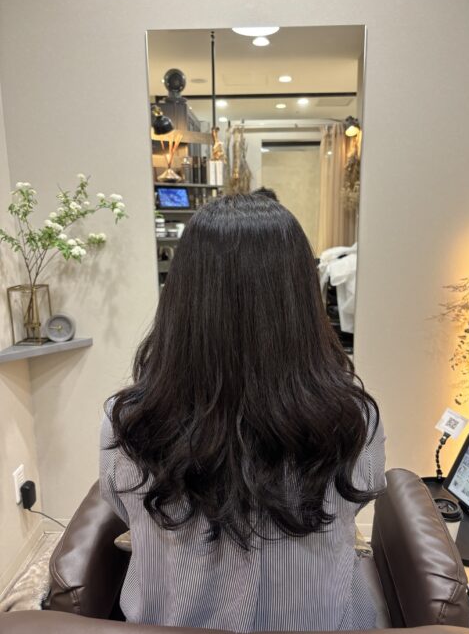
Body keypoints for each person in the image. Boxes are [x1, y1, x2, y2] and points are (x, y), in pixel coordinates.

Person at [100, 193, 386, 631]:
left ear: (181, 297)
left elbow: (124, 510)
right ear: (301, 298)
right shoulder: (353, 420)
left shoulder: (131, 421)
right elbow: (353, 508)